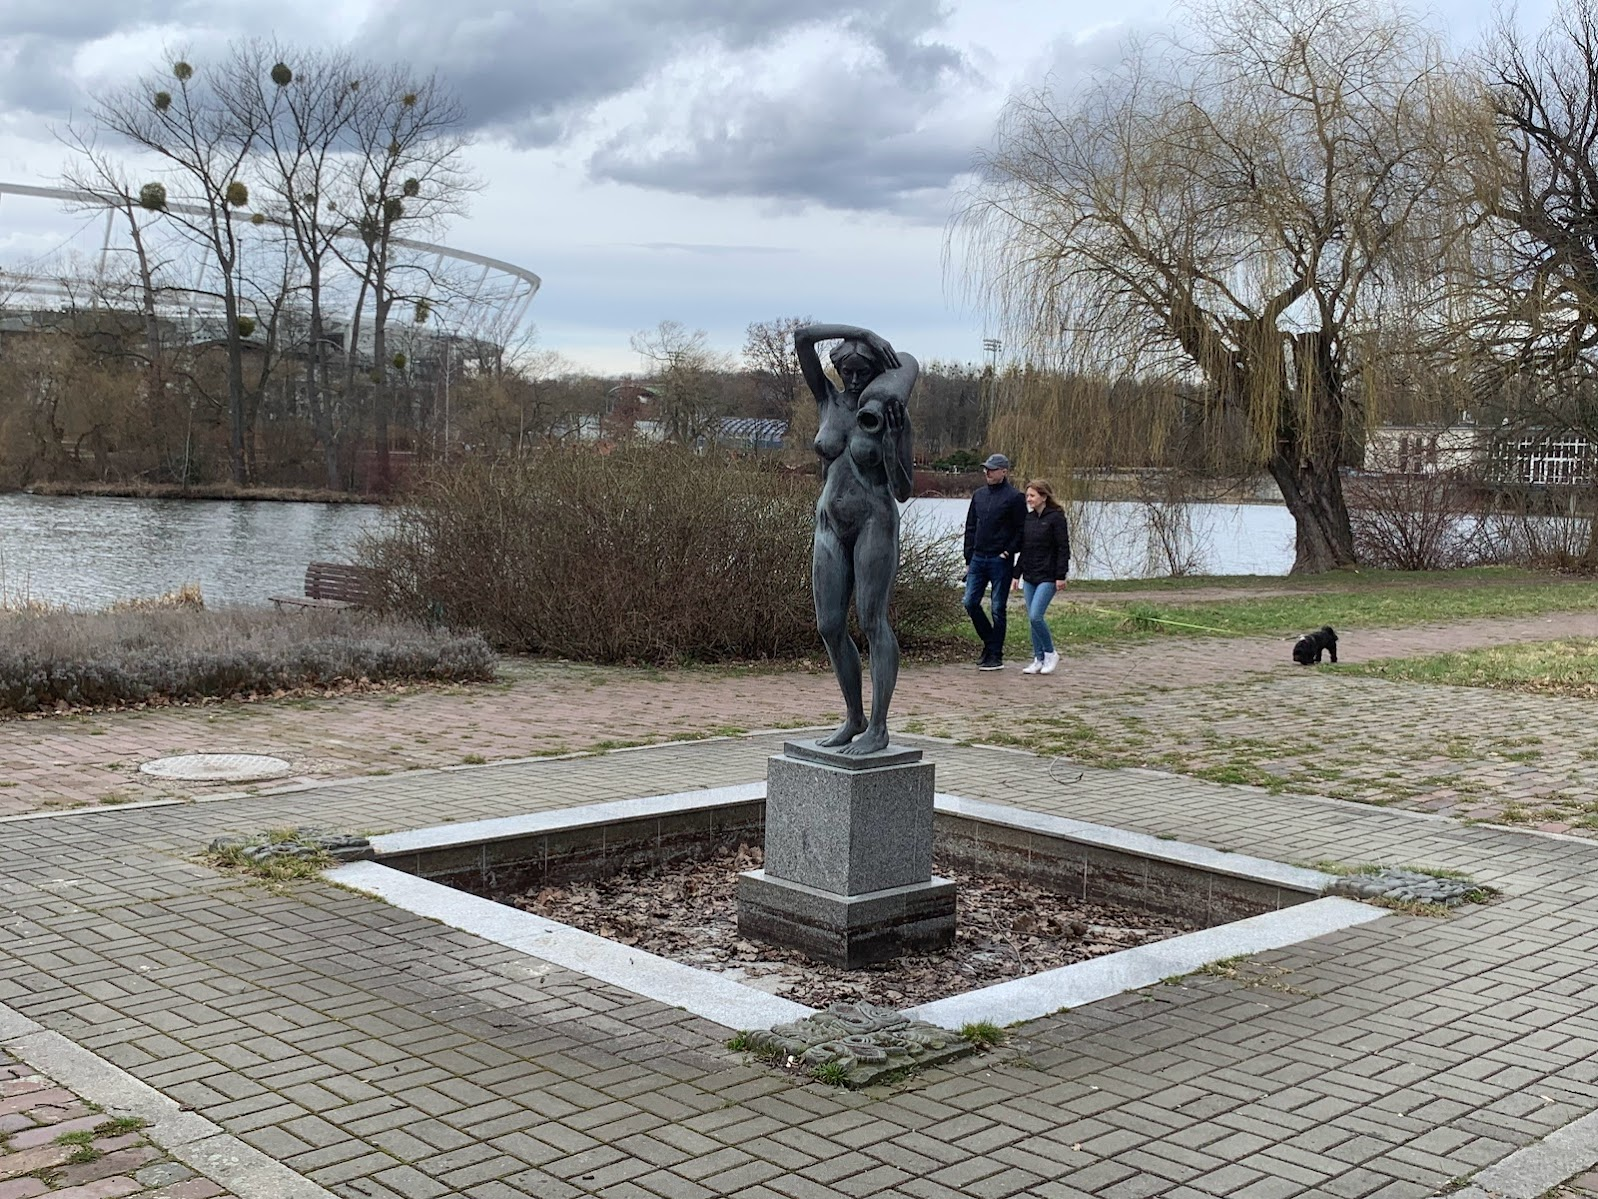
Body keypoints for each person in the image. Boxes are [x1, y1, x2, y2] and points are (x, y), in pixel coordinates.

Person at [793, 323, 919, 755]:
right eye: (845, 368)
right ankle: (854, 717)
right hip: (829, 523)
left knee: (872, 621)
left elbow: (903, 489)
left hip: (873, 521)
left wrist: (893, 440)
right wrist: (863, 332)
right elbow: (803, 337)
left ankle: (878, 728)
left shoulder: (887, 409)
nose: (852, 377)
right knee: (829, 625)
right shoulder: (827, 401)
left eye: (861, 369)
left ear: (876, 370)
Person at [963, 452, 1026, 670]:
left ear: (1004, 472)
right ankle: (991, 643)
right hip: (978, 558)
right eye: (986, 469)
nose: (987, 473)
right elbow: (971, 525)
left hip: (1000, 560)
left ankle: (995, 655)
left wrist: (1008, 552)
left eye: (991, 469)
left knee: (998, 607)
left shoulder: (1014, 498)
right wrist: (968, 556)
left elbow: (1021, 530)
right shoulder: (979, 495)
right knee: (970, 602)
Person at [1017, 478, 1070, 675]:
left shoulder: (1056, 518)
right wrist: (1017, 574)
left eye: (1032, 495)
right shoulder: (1029, 519)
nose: (1028, 499)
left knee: (1036, 615)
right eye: (1027, 496)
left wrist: (1061, 575)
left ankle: (1050, 653)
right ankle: (1038, 658)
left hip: (1048, 576)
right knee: (1031, 619)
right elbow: (1025, 549)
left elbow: (1063, 548)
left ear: (1043, 496)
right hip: (1030, 575)